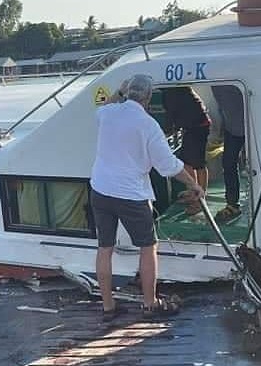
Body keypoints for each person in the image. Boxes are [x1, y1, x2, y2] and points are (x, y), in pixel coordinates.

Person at [90, 75, 204, 321]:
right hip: (130, 194)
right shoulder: (148, 124)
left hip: (100, 189)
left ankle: (108, 307)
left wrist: (119, 91)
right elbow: (168, 166)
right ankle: (150, 303)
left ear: (126, 92)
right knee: (147, 247)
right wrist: (194, 184)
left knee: (104, 248)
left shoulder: (107, 113)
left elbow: (104, 106)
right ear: (149, 98)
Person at [160, 87, 212, 215]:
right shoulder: (173, 90)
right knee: (186, 162)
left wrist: (165, 133)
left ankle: (200, 200)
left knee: (199, 163)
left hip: (199, 125)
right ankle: (193, 191)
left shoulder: (171, 91)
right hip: (191, 125)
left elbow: (171, 114)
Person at [211, 85, 246, 223]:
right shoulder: (215, 83)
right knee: (228, 164)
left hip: (254, 126)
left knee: (259, 165)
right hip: (232, 129)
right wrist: (222, 125)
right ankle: (232, 204)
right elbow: (221, 106)